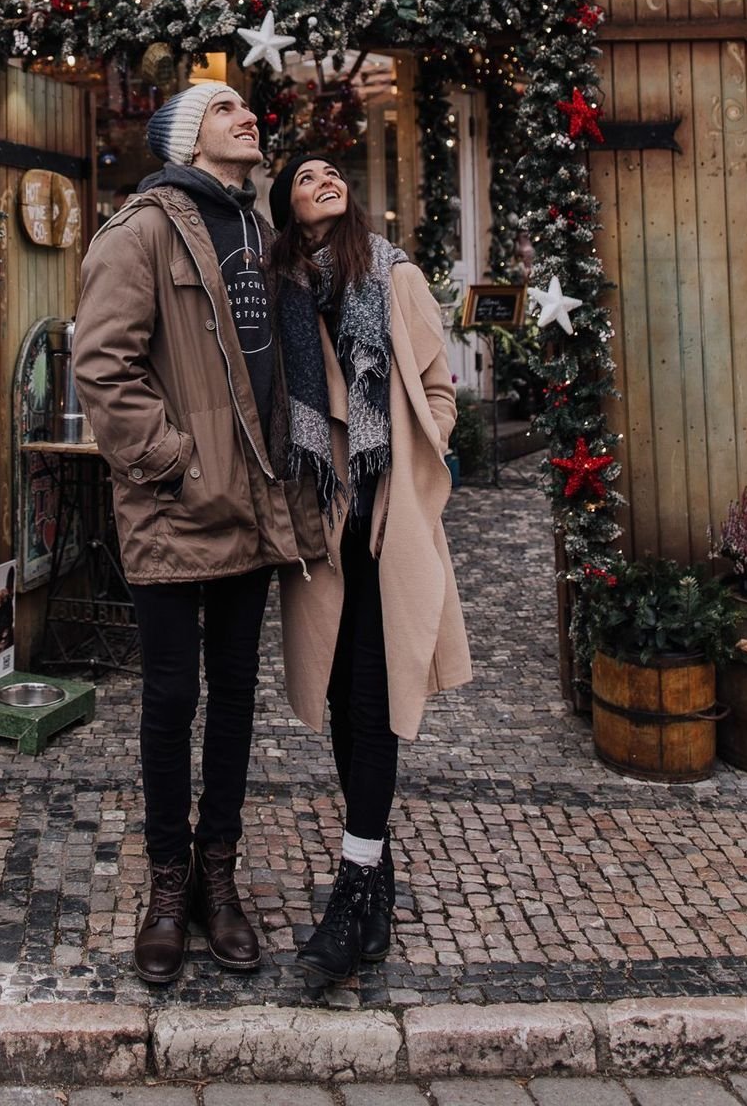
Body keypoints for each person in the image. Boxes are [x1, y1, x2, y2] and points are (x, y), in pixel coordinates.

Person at [72, 82, 317, 985]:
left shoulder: (259, 233)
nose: (246, 115)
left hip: (252, 507)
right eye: (223, 109)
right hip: (177, 504)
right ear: (185, 138)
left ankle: (222, 880)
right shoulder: (139, 230)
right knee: (171, 700)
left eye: (250, 107)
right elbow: (102, 365)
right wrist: (176, 462)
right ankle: (167, 888)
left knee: (235, 701)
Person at [267, 152, 472, 992]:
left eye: (331, 167)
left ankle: (353, 889)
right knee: (346, 705)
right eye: (304, 172)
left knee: (377, 693)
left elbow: (438, 386)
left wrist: (427, 460)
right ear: (286, 204)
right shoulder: (279, 288)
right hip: (323, 516)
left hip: (385, 516)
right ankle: (374, 868)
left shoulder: (392, 275)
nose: (324, 175)